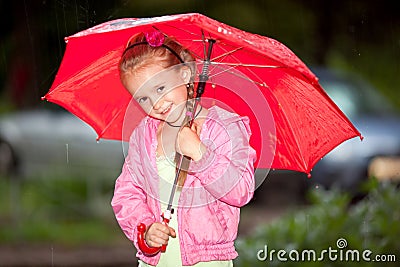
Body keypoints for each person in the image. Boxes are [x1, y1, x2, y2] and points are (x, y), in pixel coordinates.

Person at [111, 30, 256, 267]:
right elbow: (128, 192)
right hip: (156, 262)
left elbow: (241, 190)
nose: (155, 104)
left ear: (185, 74)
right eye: (142, 98)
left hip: (206, 261)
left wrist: (200, 153)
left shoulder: (223, 127)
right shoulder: (144, 135)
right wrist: (146, 229)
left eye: (159, 89)